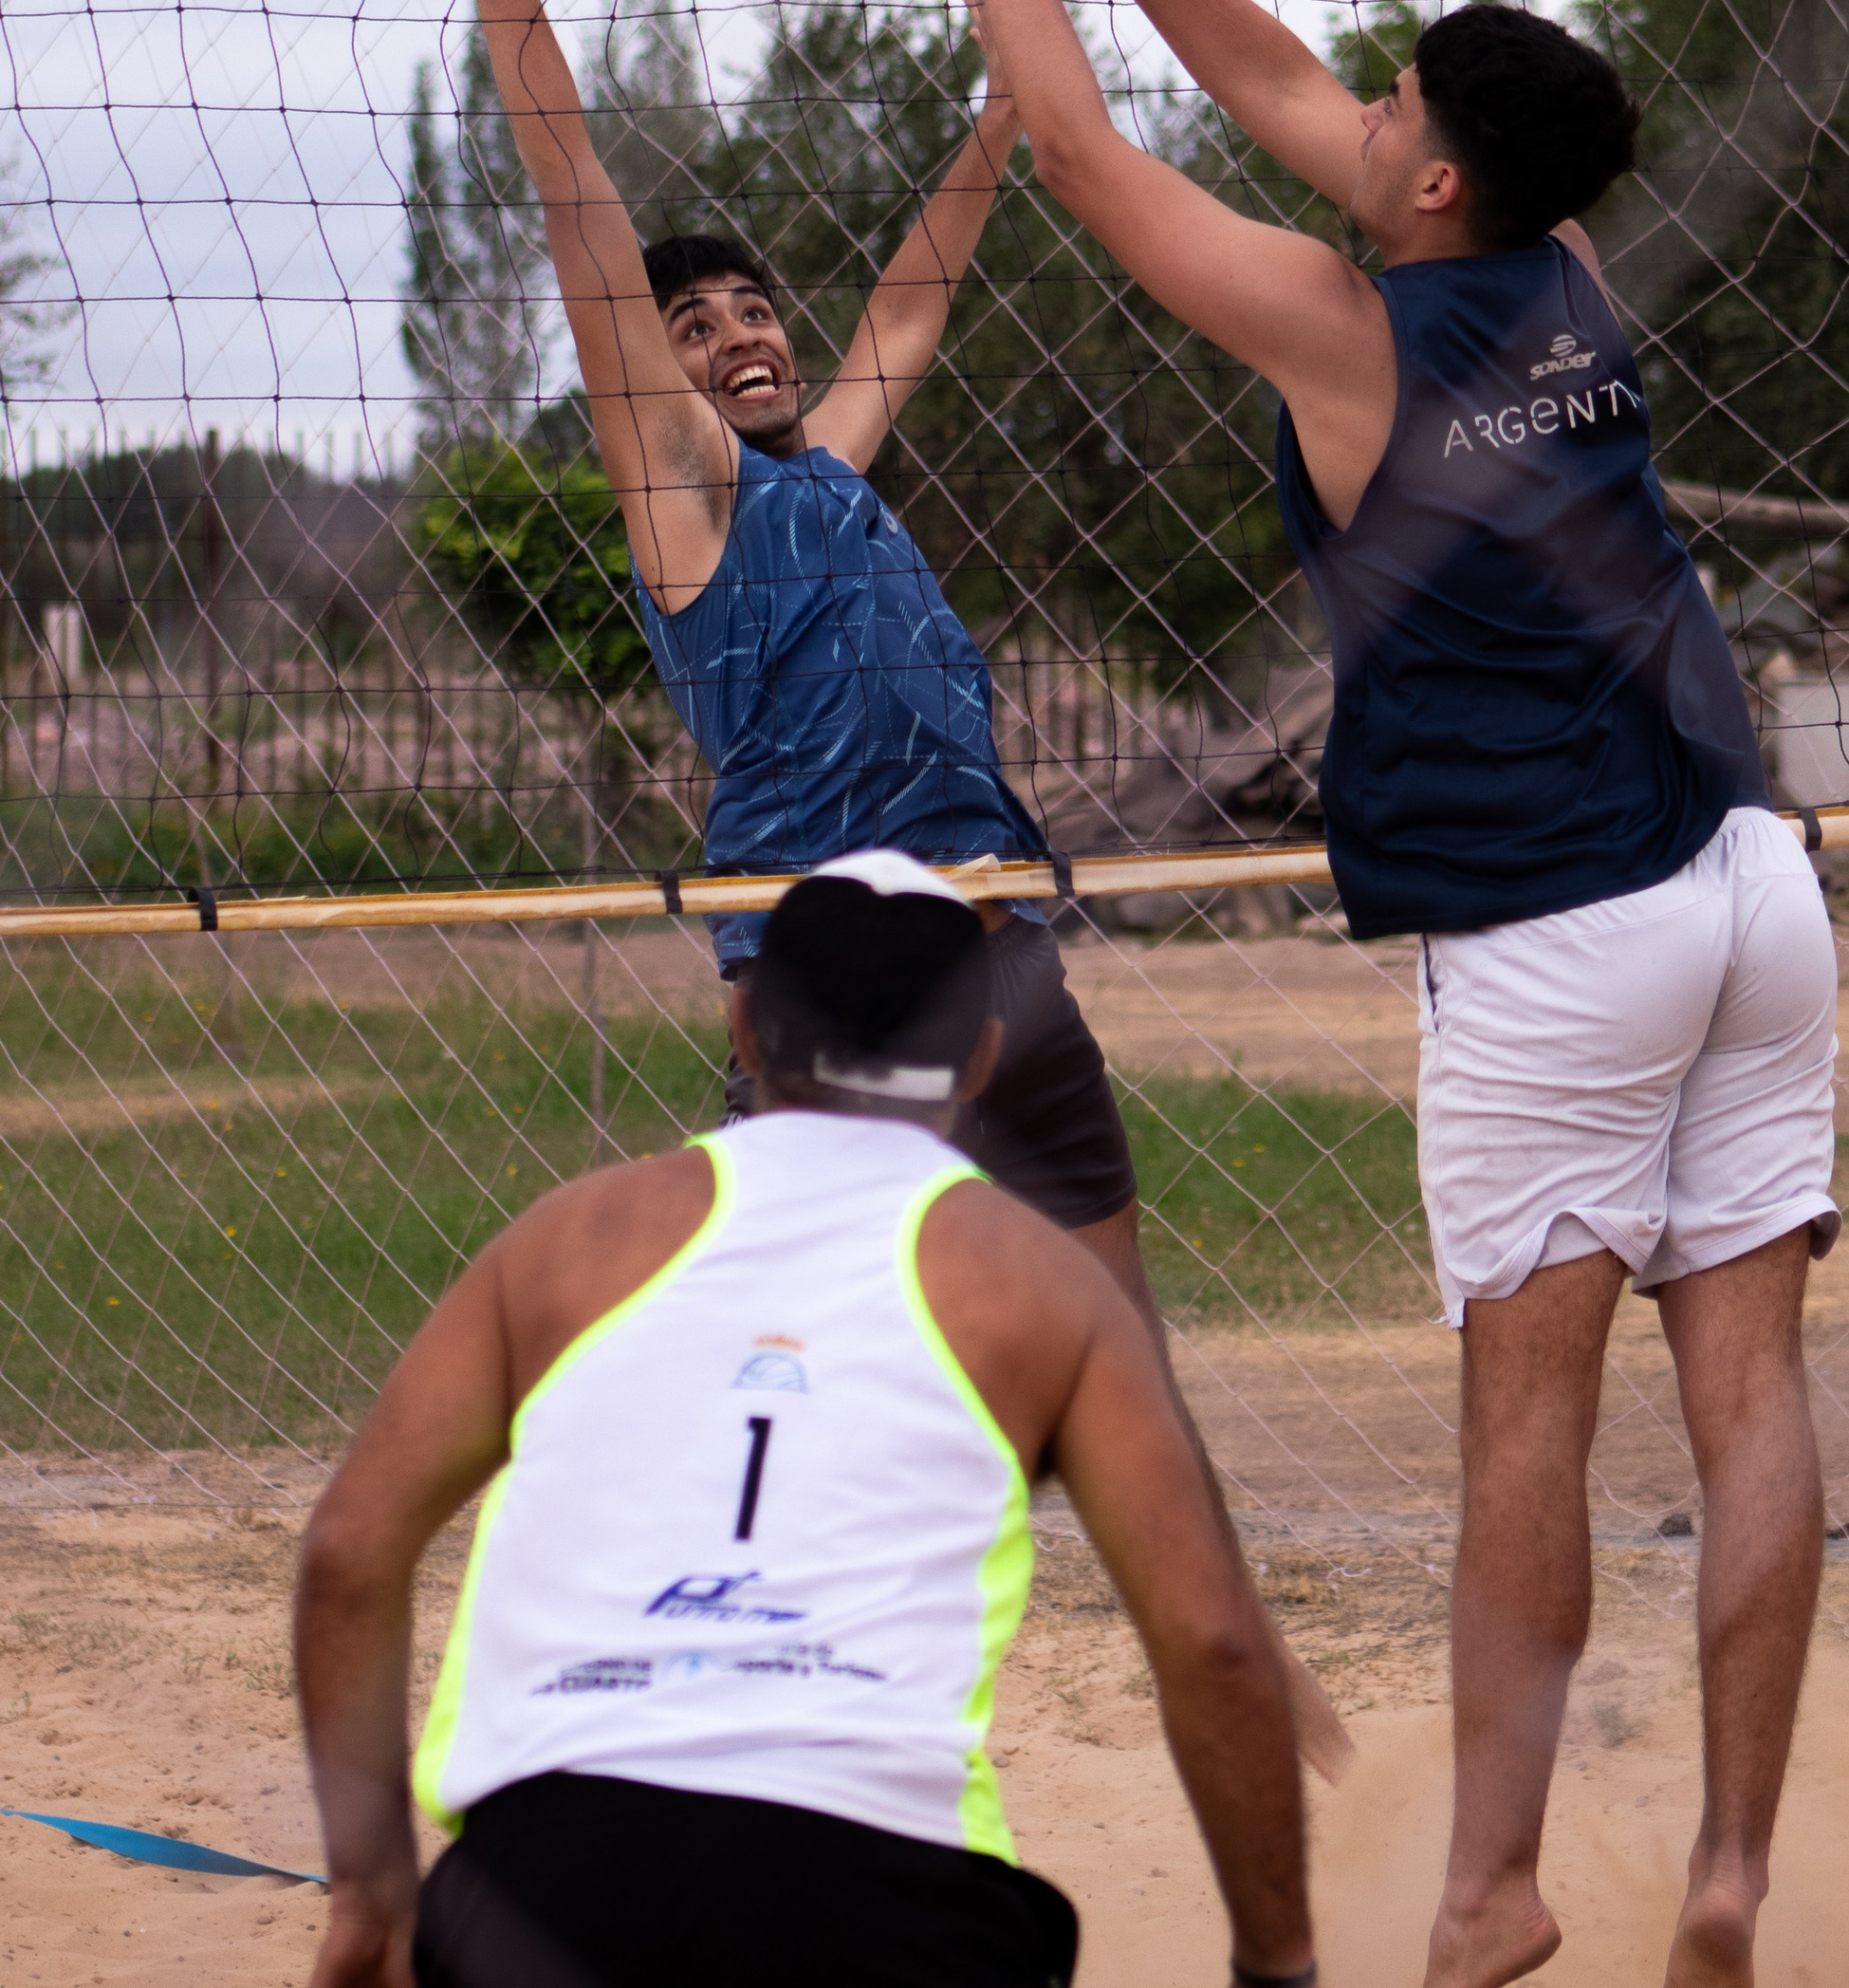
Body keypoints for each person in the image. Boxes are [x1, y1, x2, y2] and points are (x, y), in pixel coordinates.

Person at [857, 0, 1841, 1988]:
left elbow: (1092, 159)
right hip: (1742, 874)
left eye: (1390, 106)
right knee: (1752, 1389)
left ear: (1424, 188)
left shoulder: (1349, 337)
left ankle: (1492, 1889)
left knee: (1529, 1414)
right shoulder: (1567, 281)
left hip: (1552, 924)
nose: (1354, 107)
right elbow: (1289, 100)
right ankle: (1722, 1867)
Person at [390, 0, 1350, 1784]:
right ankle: (747, 1701)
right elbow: (577, 217)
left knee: (1121, 1355)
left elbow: (919, 283)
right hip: (820, 979)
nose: (735, 330)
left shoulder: (829, 469)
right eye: (700, 320)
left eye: (752, 309)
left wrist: (1010, 106)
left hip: (996, 945)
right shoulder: (688, 501)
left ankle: (1235, 1661)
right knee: (807, 1362)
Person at [295, 850, 1320, 1988]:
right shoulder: (1040, 1287)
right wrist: (1277, 1962)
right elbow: (1214, 1643)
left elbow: (347, 1553)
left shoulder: (570, 1238)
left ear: (743, 1027)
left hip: (545, 1888)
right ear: (981, 1057)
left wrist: (372, 1892)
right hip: (886, 1899)